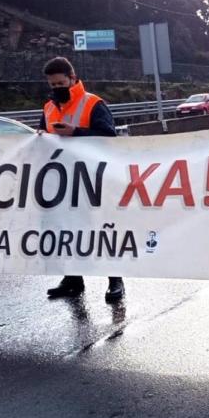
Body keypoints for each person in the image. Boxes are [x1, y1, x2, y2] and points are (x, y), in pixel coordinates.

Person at [38, 57, 126, 303]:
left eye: (61, 83)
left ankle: (115, 280)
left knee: (101, 230)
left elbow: (108, 137)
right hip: (63, 181)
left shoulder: (93, 104)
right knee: (67, 231)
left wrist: (76, 133)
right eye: (52, 84)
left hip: (93, 179)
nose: (56, 88)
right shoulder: (48, 107)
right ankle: (73, 279)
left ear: (73, 78)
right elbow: (44, 135)